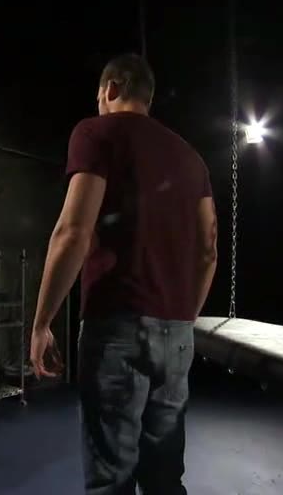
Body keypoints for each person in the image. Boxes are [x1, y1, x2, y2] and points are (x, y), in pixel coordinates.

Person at [30, 54, 218, 494]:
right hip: (178, 333)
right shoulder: (193, 159)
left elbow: (73, 233)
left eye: (99, 96)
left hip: (117, 326)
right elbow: (209, 252)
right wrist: (184, 318)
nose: (99, 104)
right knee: (165, 479)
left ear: (111, 88)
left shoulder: (96, 132)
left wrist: (42, 323)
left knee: (111, 478)